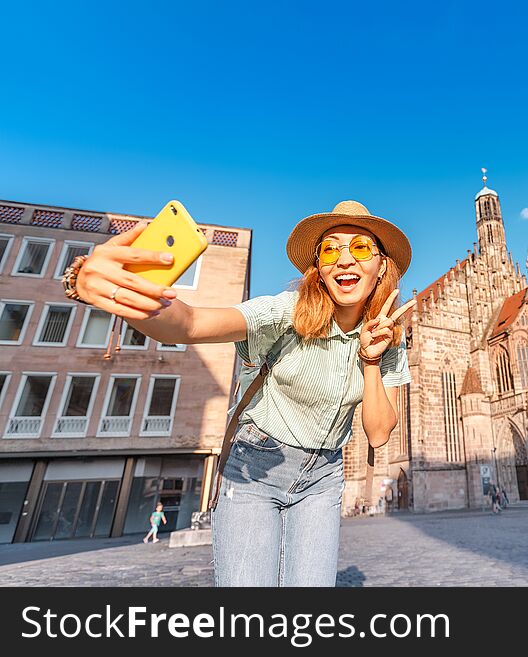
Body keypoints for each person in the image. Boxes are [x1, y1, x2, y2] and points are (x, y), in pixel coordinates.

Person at [72, 200, 414, 586]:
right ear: (318, 267)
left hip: (323, 478)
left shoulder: (388, 339)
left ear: (381, 264)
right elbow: (191, 323)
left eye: (361, 248)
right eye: (331, 249)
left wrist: (370, 360)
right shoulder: (287, 312)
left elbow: (380, 432)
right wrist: (109, 287)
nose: (345, 259)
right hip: (257, 467)